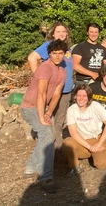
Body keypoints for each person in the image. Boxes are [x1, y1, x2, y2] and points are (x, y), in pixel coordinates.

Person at [20, 39, 68, 193]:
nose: (58, 56)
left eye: (60, 53)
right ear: (49, 54)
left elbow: (56, 95)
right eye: (55, 53)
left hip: (44, 107)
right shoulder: (45, 68)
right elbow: (41, 94)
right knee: (47, 134)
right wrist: (41, 117)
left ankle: (31, 166)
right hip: (30, 107)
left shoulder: (62, 71)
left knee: (50, 135)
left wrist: (48, 113)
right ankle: (45, 177)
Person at [27, 22, 73, 151]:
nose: (61, 34)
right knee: (48, 119)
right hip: (52, 90)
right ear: (53, 34)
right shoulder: (49, 46)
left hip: (65, 90)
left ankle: (57, 149)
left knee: (59, 121)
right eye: (58, 31)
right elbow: (32, 58)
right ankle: (48, 150)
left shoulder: (67, 49)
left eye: (64, 31)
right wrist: (39, 78)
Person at [62, 84, 106, 174]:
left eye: (84, 96)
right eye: (79, 96)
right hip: (81, 141)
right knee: (67, 143)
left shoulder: (95, 106)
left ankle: (95, 154)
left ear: (89, 97)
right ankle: (75, 166)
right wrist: (90, 147)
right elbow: (73, 133)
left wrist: (98, 144)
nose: (81, 99)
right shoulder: (71, 110)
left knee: (102, 165)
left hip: (97, 139)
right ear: (75, 96)